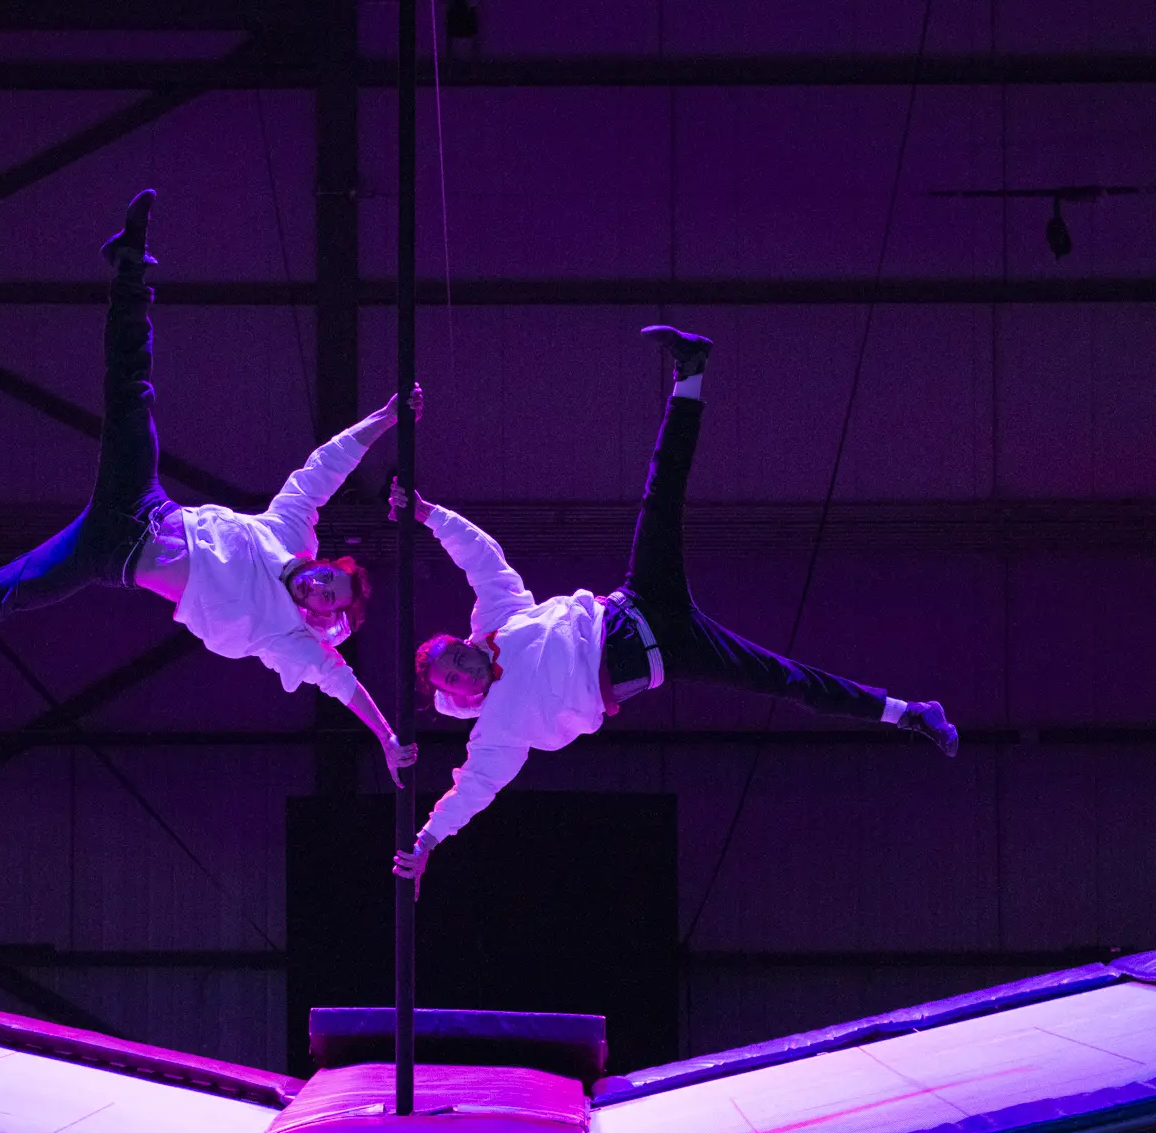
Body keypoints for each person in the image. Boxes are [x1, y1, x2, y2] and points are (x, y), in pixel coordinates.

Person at [0, 189, 419, 785]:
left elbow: (343, 685)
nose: (322, 586)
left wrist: (388, 738)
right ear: (325, 564)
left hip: (107, 554)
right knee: (131, 390)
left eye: (329, 598)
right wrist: (386, 418)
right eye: (332, 578)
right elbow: (323, 470)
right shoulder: (288, 532)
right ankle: (131, 266)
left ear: (320, 615)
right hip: (142, 501)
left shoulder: (285, 636)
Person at [391, 324, 958, 886]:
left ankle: (689, 373)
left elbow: (482, 559)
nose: (464, 671)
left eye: (457, 658)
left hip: (637, 602)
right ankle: (908, 712)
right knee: (785, 681)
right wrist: (425, 843)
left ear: (463, 645)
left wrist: (427, 515)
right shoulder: (496, 732)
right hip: (670, 654)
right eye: (454, 679)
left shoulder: (497, 623)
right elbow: (470, 791)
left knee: (660, 495)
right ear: (453, 698)